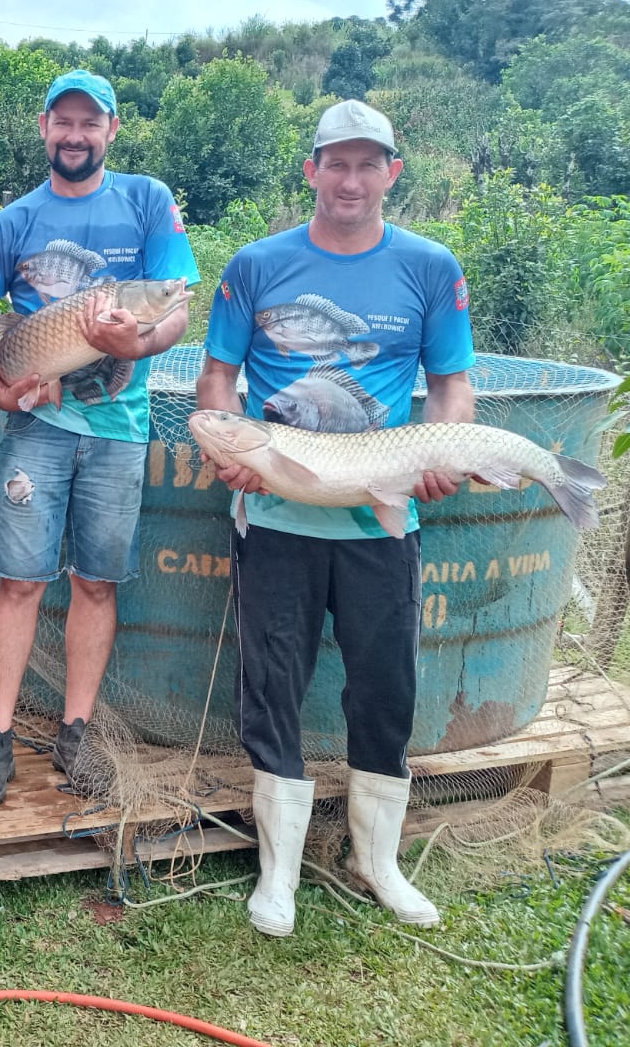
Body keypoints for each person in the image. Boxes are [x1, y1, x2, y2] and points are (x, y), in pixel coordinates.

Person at [195, 99, 476, 936]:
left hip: (381, 526)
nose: (350, 181)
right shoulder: (255, 264)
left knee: (386, 687)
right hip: (275, 521)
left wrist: (443, 453)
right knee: (270, 688)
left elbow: (452, 386)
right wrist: (226, 447)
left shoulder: (430, 267)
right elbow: (218, 378)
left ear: (393, 173)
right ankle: (276, 872)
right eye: (336, 163)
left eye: (368, 165)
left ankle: (376, 860)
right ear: (311, 170)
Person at [0, 70, 198, 808]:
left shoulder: (148, 201)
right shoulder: (12, 222)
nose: (76, 135)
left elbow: (177, 310)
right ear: (45, 128)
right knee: (19, 580)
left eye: (91, 122)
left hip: (120, 429)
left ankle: (76, 733)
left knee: (95, 581)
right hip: (36, 427)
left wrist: (136, 344)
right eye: (64, 121)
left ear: (112, 129)